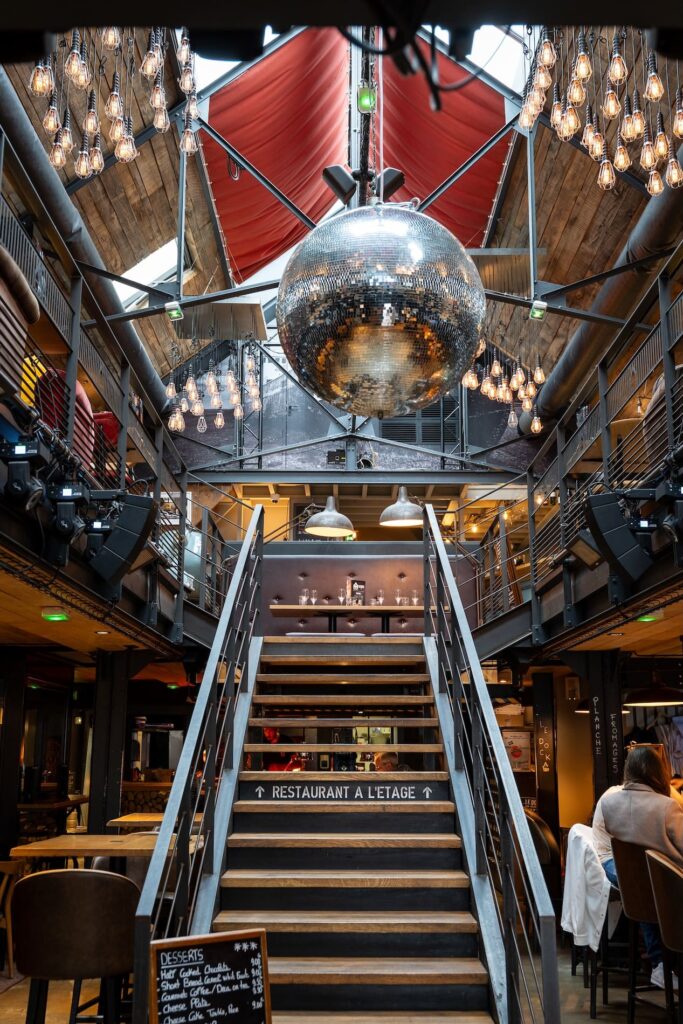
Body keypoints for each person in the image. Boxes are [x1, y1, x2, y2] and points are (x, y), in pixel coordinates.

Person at [594, 746, 683, 990]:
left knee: (647, 892)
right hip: (667, 884)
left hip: (635, 885)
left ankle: (660, 964)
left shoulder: (609, 803)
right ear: (658, 772)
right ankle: (664, 964)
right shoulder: (667, 806)